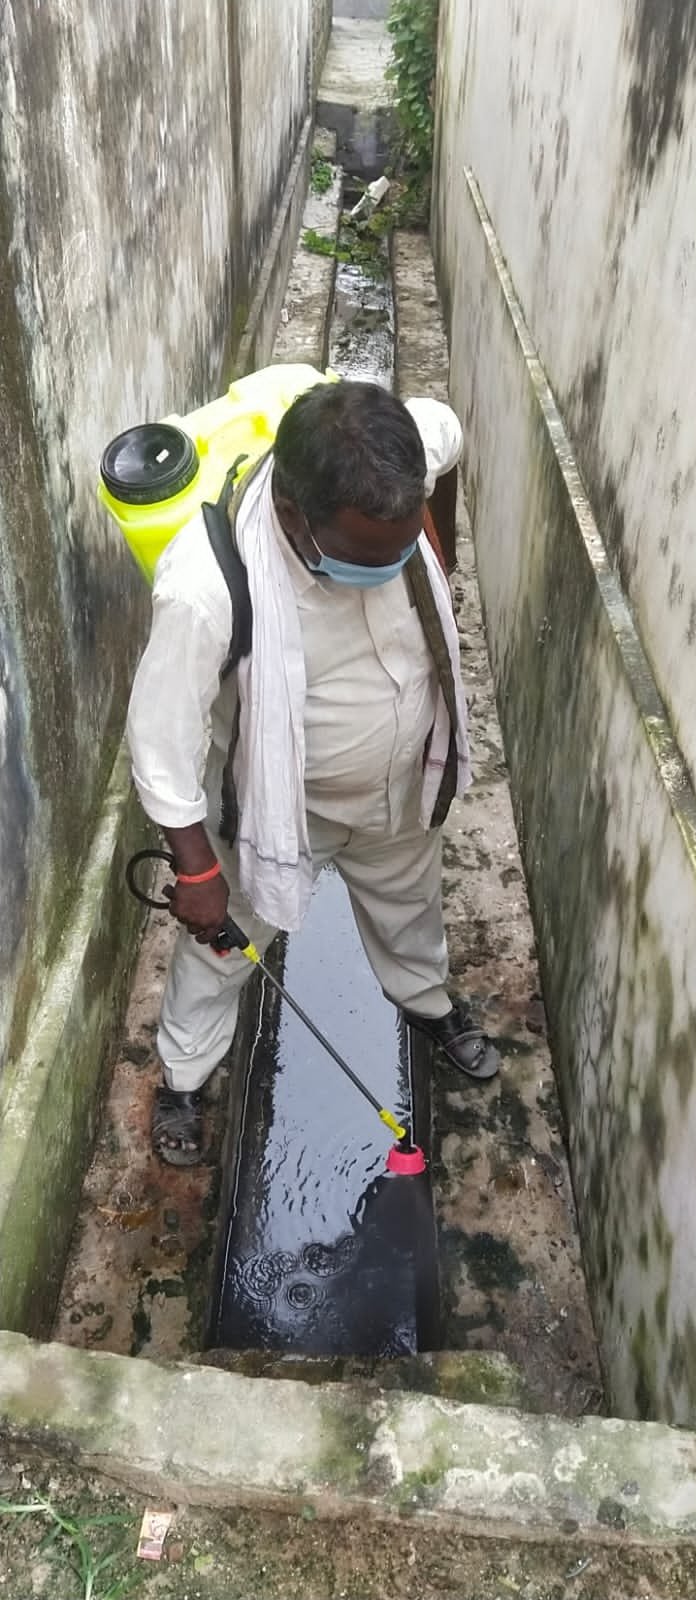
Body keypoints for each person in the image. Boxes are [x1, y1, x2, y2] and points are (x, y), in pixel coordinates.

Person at [126, 379, 500, 1164]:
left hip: (401, 787)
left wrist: (439, 551)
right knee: (223, 950)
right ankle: (185, 1077)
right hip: (280, 809)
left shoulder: (403, 469)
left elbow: (447, 430)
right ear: (294, 515)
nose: (388, 568)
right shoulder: (205, 583)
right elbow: (160, 739)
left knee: (411, 911)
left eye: (401, 549)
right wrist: (197, 873)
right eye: (366, 559)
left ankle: (428, 1006)